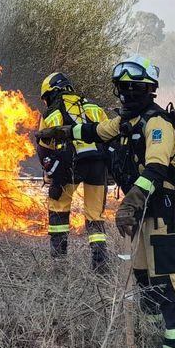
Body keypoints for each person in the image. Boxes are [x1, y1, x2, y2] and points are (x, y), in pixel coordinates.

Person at [37, 55, 175, 348]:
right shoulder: (127, 121)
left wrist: (132, 202)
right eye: (121, 89)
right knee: (143, 275)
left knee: (167, 278)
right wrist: (64, 131)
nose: (123, 95)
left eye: (128, 89)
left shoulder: (158, 124)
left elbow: (156, 168)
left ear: (143, 89)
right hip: (140, 212)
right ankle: (156, 334)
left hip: (160, 209)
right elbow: (94, 130)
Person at [35, 72, 110, 272]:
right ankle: (100, 264)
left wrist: (50, 172)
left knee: (58, 207)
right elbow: (109, 133)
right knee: (95, 213)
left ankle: (59, 263)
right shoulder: (94, 107)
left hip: (71, 164)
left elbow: (44, 146)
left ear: (51, 93)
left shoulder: (51, 113)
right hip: (97, 164)